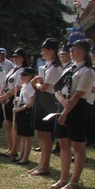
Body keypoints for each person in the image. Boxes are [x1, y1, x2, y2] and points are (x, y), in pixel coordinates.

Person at [51, 39, 95, 189]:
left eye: (75, 49)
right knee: (63, 143)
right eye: (70, 49)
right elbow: (57, 89)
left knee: (77, 144)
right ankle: (63, 178)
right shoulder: (69, 68)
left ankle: (74, 181)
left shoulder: (87, 71)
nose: (71, 52)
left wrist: (65, 112)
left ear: (84, 51)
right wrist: (63, 102)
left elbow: (77, 95)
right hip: (64, 104)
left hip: (77, 109)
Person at [29, 38, 64, 176]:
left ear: (52, 50)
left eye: (44, 50)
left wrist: (34, 83)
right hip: (41, 99)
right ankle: (42, 163)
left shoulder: (55, 68)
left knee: (46, 134)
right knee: (41, 133)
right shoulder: (46, 66)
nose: (42, 53)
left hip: (48, 100)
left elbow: (43, 87)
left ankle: (45, 165)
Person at [0, 49, 27, 158]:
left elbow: (18, 86)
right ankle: (10, 147)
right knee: (7, 124)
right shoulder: (12, 70)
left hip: (15, 99)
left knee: (15, 125)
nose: (15, 59)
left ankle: (14, 149)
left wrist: (5, 96)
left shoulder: (23, 70)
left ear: (23, 58)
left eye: (17, 57)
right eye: (14, 57)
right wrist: (0, 95)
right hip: (6, 99)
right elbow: (5, 84)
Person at [12, 67, 36, 165]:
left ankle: (25, 157)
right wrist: (17, 101)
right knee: (22, 135)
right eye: (21, 75)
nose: (21, 77)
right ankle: (21, 155)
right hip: (22, 110)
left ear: (30, 76)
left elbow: (30, 103)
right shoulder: (24, 85)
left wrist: (19, 109)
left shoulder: (31, 86)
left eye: (24, 75)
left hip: (27, 112)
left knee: (27, 136)